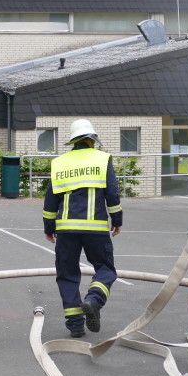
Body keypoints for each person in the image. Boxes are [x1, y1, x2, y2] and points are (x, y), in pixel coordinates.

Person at [43, 119, 123, 337]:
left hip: (66, 229)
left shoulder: (59, 163)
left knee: (67, 274)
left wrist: (49, 227)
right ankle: (94, 300)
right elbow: (112, 194)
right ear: (92, 140)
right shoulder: (102, 159)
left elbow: (51, 200)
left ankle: (75, 324)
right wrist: (117, 220)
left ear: (73, 140)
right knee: (105, 269)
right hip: (95, 228)